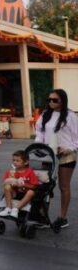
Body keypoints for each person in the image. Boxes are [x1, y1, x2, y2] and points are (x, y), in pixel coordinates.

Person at [34, 89, 78, 229]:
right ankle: (42, 216)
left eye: (55, 100)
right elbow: (39, 131)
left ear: (62, 101)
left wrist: (69, 148)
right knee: (44, 185)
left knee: (63, 186)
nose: (51, 102)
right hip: (48, 153)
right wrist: (38, 144)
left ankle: (63, 217)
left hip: (66, 154)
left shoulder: (71, 116)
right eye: (49, 100)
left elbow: (77, 137)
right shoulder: (45, 114)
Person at [0, 150, 39, 219]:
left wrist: (23, 185)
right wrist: (11, 181)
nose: (15, 162)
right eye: (13, 160)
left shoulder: (30, 172)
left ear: (26, 162)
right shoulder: (11, 172)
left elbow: (34, 186)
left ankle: (16, 209)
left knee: (31, 192)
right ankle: (8, 208)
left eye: (17, 161)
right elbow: (5, 182)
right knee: (7, 186)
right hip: (15, 193)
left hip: (26, 193)